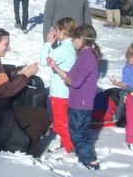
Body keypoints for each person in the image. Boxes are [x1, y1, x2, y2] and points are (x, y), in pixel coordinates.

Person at [0, 28, 49, 157]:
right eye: (6, 44)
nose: (8, 48)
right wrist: (26, 75)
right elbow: (7, 90)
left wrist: (19, 73)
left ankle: (28, 154)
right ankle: (25, 154)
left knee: (41, 115)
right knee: (40, 118)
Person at [47, 25, 101, 170]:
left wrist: (68, 81)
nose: (73, 42)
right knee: (78, 132)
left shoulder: (88, 57)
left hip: (82, 104)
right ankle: (84, 156)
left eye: (75, 39)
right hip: (77, 102)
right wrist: (55, 66)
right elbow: (70, 76)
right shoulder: (83, 56)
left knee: (78, 134)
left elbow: (74, 81)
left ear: (81, 39)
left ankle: (90, 161)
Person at [40, 17, 77, 153]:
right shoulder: (71, 46)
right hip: (68, 92)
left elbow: (44, 62)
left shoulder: (63, 49)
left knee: (60, 123)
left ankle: (70, 147)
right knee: (66, 120)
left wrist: (48, 43)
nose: (56, 32)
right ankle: (67, 142)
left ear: (63, 31)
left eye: (57, 29)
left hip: (60, 93)